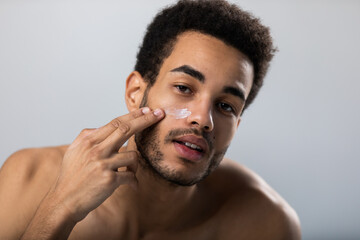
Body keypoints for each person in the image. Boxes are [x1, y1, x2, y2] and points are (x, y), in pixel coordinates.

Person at [0, 0, 301, 239]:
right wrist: (59, 209)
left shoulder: (265, 223)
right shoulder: (28, 179)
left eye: (225, 106)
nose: (203, 119)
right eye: (184, 88)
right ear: (135, 93)